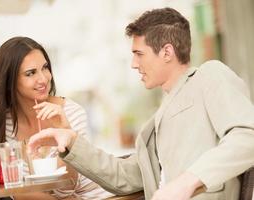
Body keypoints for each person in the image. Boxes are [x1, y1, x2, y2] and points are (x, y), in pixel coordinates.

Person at [27, 7, 254, 200]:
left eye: (139, 54)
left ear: (167, 52)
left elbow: (248, 135)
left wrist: (187, 181)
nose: (134, 64)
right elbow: (124, 176)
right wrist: (71, 141)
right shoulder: (157, 123)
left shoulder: (209, 76)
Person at [0, 36, 113, 200]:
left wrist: (65, 132)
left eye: (45, 68)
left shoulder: (70, 112)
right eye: (30, 73)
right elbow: (17, 191)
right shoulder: (5, 124)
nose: (43, 78)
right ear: (10, 81)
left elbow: (67, 188)